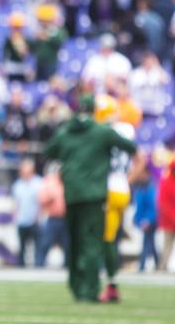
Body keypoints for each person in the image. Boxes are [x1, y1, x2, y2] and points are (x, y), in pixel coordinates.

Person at [44, 96, 137, 302]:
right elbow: (131, 147)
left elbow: (48, 152)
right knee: (93, 242)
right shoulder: (101, 131)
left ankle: (76, 285)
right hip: (95, 194)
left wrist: (69, 162)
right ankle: (90, 288)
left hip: (72, 193)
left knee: (75, 240)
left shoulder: (66, 131)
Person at [94, 94, 136, 302]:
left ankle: (111, 285)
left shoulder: (102, 132)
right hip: (124, 187)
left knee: (107, 240)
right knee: (111, 238)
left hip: (108, 188)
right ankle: (110, 281)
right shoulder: (127, 130)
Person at [37, 162, 69, 267]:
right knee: (45, 243)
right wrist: (50, 197)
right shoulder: (50, 182)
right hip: (53, 218)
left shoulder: (69, 183)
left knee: (68, 245)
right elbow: (41, 199)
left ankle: (68, 266)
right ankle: (39, 266)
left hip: (66, 218)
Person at [12, 158, 42, 267]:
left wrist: (38, 217)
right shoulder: (18, 185)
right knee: (22, 247)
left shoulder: (39, 183)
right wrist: (15, 216)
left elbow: (41, 203)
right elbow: (16, 203)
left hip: (35, 220)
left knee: (38, 246)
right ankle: (20, 267)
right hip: (22, 220)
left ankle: (39, 268)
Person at [132, 162, 158, 272]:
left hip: (149, 221)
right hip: (143, 220)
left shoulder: (150, 187)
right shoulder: (140, 186)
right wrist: (136, 218)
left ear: (147, 173)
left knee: (146, 243)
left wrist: (148, 220)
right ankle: (158, 263)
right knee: (151, 243)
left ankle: (142, 265)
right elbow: (139, 205)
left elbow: (153, 206)